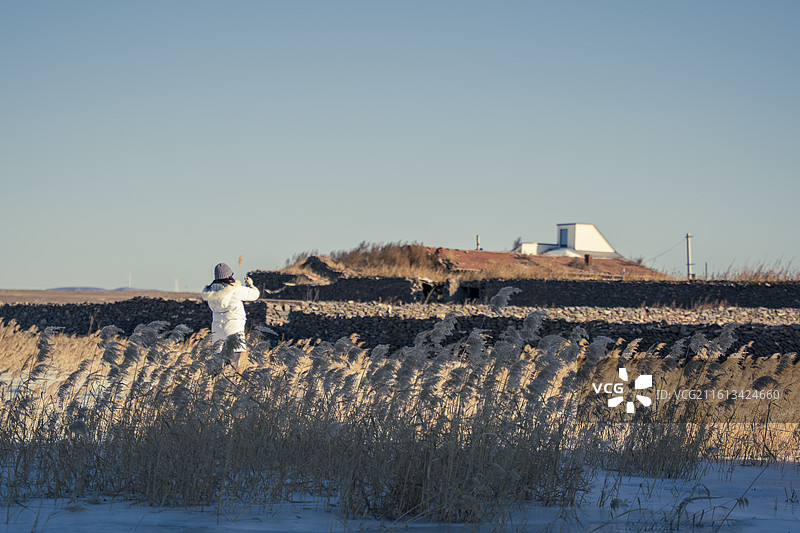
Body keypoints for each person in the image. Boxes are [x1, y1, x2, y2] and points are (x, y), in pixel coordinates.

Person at [201, 262, 260, 370]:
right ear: (228, 276)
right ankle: (230, 378)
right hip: (234, 327)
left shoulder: (210, 291)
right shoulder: (235, 289)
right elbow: (255, 295)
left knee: (217, 360)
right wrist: (251, 285)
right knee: (234, 360)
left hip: (217, 327)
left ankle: (215, 379)